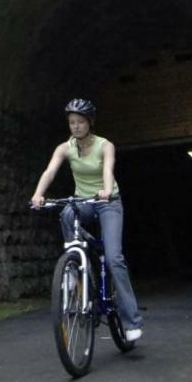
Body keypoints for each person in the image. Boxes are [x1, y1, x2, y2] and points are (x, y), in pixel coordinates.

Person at [29, 98, 143, 342]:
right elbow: (49, 172)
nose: (76, 126)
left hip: (108, 201)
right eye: (72, 122)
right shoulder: (65, 148)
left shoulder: (105, 145)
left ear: (90, 122)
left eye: (80, 122)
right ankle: (75, 263)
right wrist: (38, 194)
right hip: (83, 201)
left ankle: (131, 321)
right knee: (67, 212)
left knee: (114, 258)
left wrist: (106, 189)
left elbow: (107, 170)